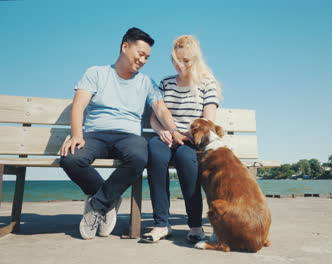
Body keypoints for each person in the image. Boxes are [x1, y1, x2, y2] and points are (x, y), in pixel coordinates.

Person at [60, 27, 185, 240]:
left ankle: (97, 205)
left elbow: (161, 109)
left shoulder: (147, 82)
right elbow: (78, 106)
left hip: (128, 137)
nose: (144, 60)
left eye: (147, 57)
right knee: (70, 158)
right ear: (125, 47)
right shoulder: (96, 73)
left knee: (140, 157)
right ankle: (108, 200)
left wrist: (173, 130)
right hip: (95, 134)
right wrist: (77, 135)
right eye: (140, 54)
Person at [141, 35, 222, 243]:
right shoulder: (166, 82)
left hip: (191, 141)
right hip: (167, 137)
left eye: (186, 61)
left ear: (195, 60)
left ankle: (195, 226)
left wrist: (185, 134)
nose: (181, 65)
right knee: (155, 153)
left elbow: (208, 119)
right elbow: (155, 117)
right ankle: (161, 224)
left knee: (188, 161)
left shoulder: (206, 83)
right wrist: (161, 131)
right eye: (176, 61)